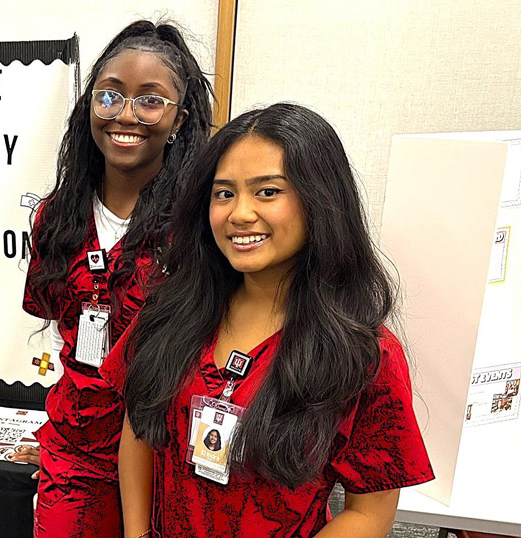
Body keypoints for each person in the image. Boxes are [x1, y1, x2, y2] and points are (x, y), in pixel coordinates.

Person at [102, 103, 434, 538]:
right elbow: (138, 428)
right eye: (224, 193)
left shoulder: (364, 355)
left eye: (267, 192)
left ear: (319, 200)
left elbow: (369, 513)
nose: (239, 213)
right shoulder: (169, 312)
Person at [17, 20, 212, 538]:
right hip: (76, 451)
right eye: (109, 96)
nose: (126, 115)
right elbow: (65, 332)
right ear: (89, 110)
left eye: (151, 101)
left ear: (179, 119)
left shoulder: (199, 227)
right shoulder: (55, 217)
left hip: (168, 458)